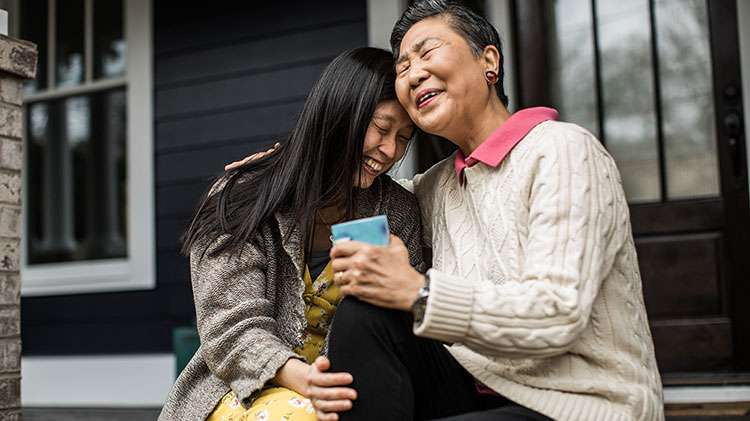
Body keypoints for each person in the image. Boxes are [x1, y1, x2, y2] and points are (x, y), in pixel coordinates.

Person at [308, 1, 665, 420]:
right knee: (364, 310)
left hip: (582, 403)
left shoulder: (563, 150)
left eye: (426, 53)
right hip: (476, 388)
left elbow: (557, 313)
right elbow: (353, 186)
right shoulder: (437, 185)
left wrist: (419, 293)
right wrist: (281, 169)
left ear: (489, 61)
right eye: (402, 67)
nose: (413, 73)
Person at [157, 47, 425, 421]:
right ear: (339, 114)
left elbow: (404, 326)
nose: (390, 150)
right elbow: (231, 328)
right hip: (241, 389)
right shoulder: (242, 197)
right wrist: (307, 380)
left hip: (351, 388)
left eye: (404, 137)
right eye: (381, 129)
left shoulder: (397, 212)